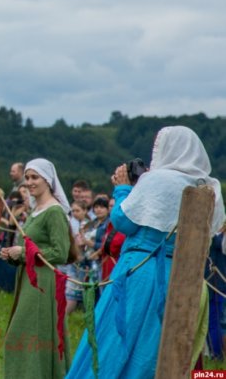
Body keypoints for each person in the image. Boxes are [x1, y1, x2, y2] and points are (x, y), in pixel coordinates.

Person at [67, 126, 226, 378]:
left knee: (117, 339)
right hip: (188, 278)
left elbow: (123, 221)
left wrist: (122, 189)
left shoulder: (157, 180)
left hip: (142, 271)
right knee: (159, 347)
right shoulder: (211, 187)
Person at [0, 158, 75, 378]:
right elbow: (31, 247)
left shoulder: (54, 211)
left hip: (42, 283)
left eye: (35, 178)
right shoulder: (36, 210)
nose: (30, 182)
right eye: (28, 178)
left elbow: (60, 252)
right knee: (26, 335)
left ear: (48, 180)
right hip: (28, 279)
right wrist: (13, 255)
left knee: (24, 336)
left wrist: (21, 253)